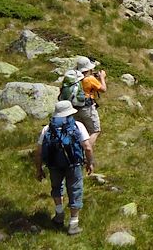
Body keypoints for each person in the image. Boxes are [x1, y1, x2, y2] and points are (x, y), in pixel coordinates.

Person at [33, 101, 94, 235]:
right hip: (74, 164)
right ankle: (73, 224)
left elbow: (38, 152)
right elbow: (88, 147)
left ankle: (59, 215)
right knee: (75, 189)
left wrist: (39, 169)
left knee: (57, 187)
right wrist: (90, 163)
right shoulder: (78, 126)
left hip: (53, 164)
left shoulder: (47, 129)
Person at [75, 56, 105, 148]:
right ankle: (85, 152)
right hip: (87, 108)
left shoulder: (74, 77)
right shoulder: (90, 79)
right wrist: (102, 78)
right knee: (95, 131)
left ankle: (75, 151)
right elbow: (103, 89)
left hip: (74, 108)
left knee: (80, 131)